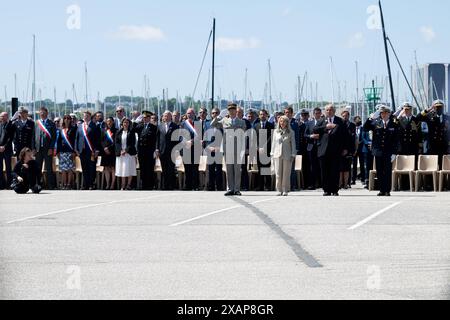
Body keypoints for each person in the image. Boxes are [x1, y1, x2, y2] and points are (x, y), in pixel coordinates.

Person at [211, 103, 247, 196]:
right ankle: (230, 188)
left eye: (233, 110)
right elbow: (213, 124)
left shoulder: (242, 122)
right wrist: (218, 116)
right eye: (230, 110)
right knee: (229, 169)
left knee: (237, 169)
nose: (231, 111)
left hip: (237, 148)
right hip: (227, 147)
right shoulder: (224, 120)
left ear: (236, 111)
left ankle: (237, 189)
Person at [364, 105, 400, 196]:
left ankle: (387, 190)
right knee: (379, 171)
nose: (383, 115)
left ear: (389, 114)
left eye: (385, 113)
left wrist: (394, 152)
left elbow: (396, 140)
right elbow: (365, 127)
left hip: (388, 152)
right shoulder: (376, 123)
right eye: (382, 113)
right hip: (378, 151)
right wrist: (371, 117)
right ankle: (381, 190)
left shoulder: (394, 124)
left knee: (387, 171)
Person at [313, 104, 348, 196]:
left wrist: (345, 148)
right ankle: (326, 190)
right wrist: (326, 127)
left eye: (331, 110)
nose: (329, 111)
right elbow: (315, 129)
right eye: (327, 110)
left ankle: (335, 189)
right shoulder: (321, 120)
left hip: (336, 150)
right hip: (323, 150)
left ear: (334, 111)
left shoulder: (340, 121)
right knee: (324, 171)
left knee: (335, 170)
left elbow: (345, 136)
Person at [416, 100, 448, 169]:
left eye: (440, 107)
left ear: (443, 107)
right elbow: (418, 117)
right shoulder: (429, 116)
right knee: (432, 167)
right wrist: (428, 109)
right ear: (434, 108)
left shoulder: (447, 118)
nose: (439, 109)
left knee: (443, 167)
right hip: (432, 146)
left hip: (443, 146)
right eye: (437, 107)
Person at [271, 116, 297, 196]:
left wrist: (293, 155)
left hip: (287, 155)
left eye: (284, 121)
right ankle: (279, 189)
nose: (282, 123)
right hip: (277, 154)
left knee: (286, 173)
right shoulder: (275, 131)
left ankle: (285, 189)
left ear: (287, 123)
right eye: (281, 121)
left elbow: (293, 144)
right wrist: (272, 153)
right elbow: (273, 143)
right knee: (278, 173)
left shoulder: (291, 132)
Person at [75, 111, 101, 190]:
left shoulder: (95, 126)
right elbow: (77, 138)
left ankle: (91, 184)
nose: (85, 117)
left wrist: (97, 150)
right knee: (84, 167)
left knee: (91, 168)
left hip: (91, 151)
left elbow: (98, 139)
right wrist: (76, 149)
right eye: (84, 116)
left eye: (87, 116)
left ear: (90, 117)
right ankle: (85, 184)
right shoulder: (80, 126)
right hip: (82, 151)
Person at [33, 107, 57, 190]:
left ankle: (51, 185)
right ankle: (38, 184)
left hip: (48, 149)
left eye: (43, 112)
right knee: (38, 168)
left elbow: (54, 138)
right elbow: (33, 137)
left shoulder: (51, 123)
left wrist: (51, 148)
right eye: (41, 112)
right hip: (38, 149)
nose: (42, 114)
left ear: (47, 113)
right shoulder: (36, 123)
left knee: (49, 168)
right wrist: (33, 148)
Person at [135, 111, 158, 190]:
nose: (144, 119)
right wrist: (137, 120)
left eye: (146, 117)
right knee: (142, 168)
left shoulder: (154, 127)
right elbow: (133, 128)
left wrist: (155, 150)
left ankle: (150, 185)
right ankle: (144, 184)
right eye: (143, 117)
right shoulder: (140, 126)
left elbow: (155, 140)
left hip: (150, 151)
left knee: (150, 168)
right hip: (141, 151)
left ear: (149, 118)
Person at [156, 111, 179, 190]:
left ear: (170, 117)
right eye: (164, 116)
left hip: (171, 151)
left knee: (171, 169)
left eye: (167, 116)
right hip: (162, 151)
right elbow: (158, 139)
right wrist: (157, 149)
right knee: (164, 169)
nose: (165, 117)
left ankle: (171, 185)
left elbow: (177, 139)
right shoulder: (160, 126)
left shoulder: (175, 126)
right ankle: (165, 185)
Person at [254, 109, 274, 191]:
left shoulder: (270, 125)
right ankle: (260, 186)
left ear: (267, 115)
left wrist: (264, 147)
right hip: (259, 151)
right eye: (261, 114)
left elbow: (271, 138)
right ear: (259, 116)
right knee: (260, 168)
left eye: (264, 114)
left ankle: (268, 186)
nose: (262, 116)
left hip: (267, 150)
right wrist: (258, 148)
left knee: (266, 168)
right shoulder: (256, 125)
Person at [181, 108, 201, 191]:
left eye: (191, 113)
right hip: (186, 148)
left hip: (195, 148)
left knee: (195, 168)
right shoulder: (183, 124)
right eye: (188, 113)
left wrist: (192, 141)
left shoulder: (198, 124)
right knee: (187, 168)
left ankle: (195, 185)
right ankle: (188, 185)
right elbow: (180, 136)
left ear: (194, 114)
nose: (189, 115)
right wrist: (186, 142)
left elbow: (200, 136)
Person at [115, 118, 137, 190]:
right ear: (122, 123)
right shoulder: (118, 132)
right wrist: (120, 150)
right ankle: (123, 185)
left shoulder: (131, 132)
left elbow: (132, 143)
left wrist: (126, 151)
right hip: (121, 154)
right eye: (124, 122)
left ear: (129, 124)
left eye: (127, 122)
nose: (125, 124)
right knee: (122, 170)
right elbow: (117, 143)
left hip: (129, 153)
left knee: (129, 169)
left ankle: (128, 185)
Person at [205, 108, 224, 191]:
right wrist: (208, 147)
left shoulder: (223, 124)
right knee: (211, 169)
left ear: (219, 114)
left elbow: (225, 137)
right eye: (213, 113)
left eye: (216, 113)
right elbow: (204, 138)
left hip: (219, 150)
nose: (214, 114)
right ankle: (211, 186)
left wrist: (219, 147)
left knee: (219, 169)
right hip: (210, 150)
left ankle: (219, 187)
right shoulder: (207, 124)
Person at [305, 108, 323, 190]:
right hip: (311, 146)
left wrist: (320, 136)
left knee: (321, 165)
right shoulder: (309, 123)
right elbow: (305, 134)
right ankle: (312, 184)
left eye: (318, 113)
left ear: (320, 113)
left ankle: (321, 183)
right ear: (313, 114)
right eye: (316, 113)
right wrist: (310, 136)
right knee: (312, 166)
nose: (317, 114)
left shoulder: (324, 122)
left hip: (321, 146)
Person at [57, 115, 77, 190]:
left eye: (68, 118)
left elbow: (75, 140)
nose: (67, 120)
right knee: (63, 170)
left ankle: (69, 184)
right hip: (62, 152)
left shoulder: (74, 129)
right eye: (65, 118)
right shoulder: (60, 130)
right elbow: (58, 141)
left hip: (70, 151)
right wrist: (58, 152)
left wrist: (74, 151)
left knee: (70, 169)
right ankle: (64, 184)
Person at [339, 110, 356, 189]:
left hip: (349, 148)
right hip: (339, 148)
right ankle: (340, 183)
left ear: (348, 116)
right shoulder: (339, 124)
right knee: (339, 168)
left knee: (346, 168)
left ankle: (346, 184)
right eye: (343, 116)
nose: (345, 117)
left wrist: (352, 150)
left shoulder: (352, 125)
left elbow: (353, 137)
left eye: (346, 116)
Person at [100, 117, 117, 190]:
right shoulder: (104, 131)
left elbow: (116, 142)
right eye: (107, 121)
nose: (109, 123)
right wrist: (104, 148)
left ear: (113, 122)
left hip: (112, 152)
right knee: (106, 168)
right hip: (105, 152)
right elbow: (101, 141)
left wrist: (109, 148)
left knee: (113, 168)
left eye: (110, 121)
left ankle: (112, 184)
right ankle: (107, 184)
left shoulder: (116, 131)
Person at [0, 112, 14, 190]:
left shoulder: (10, 126)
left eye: (2, 116)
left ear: (6, 117)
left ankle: (9, 184)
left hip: (7, 149)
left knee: (8, 168)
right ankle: (1, 184)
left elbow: (10, 138)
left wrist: (4, 146)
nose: (1, 117)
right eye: (0, 116)